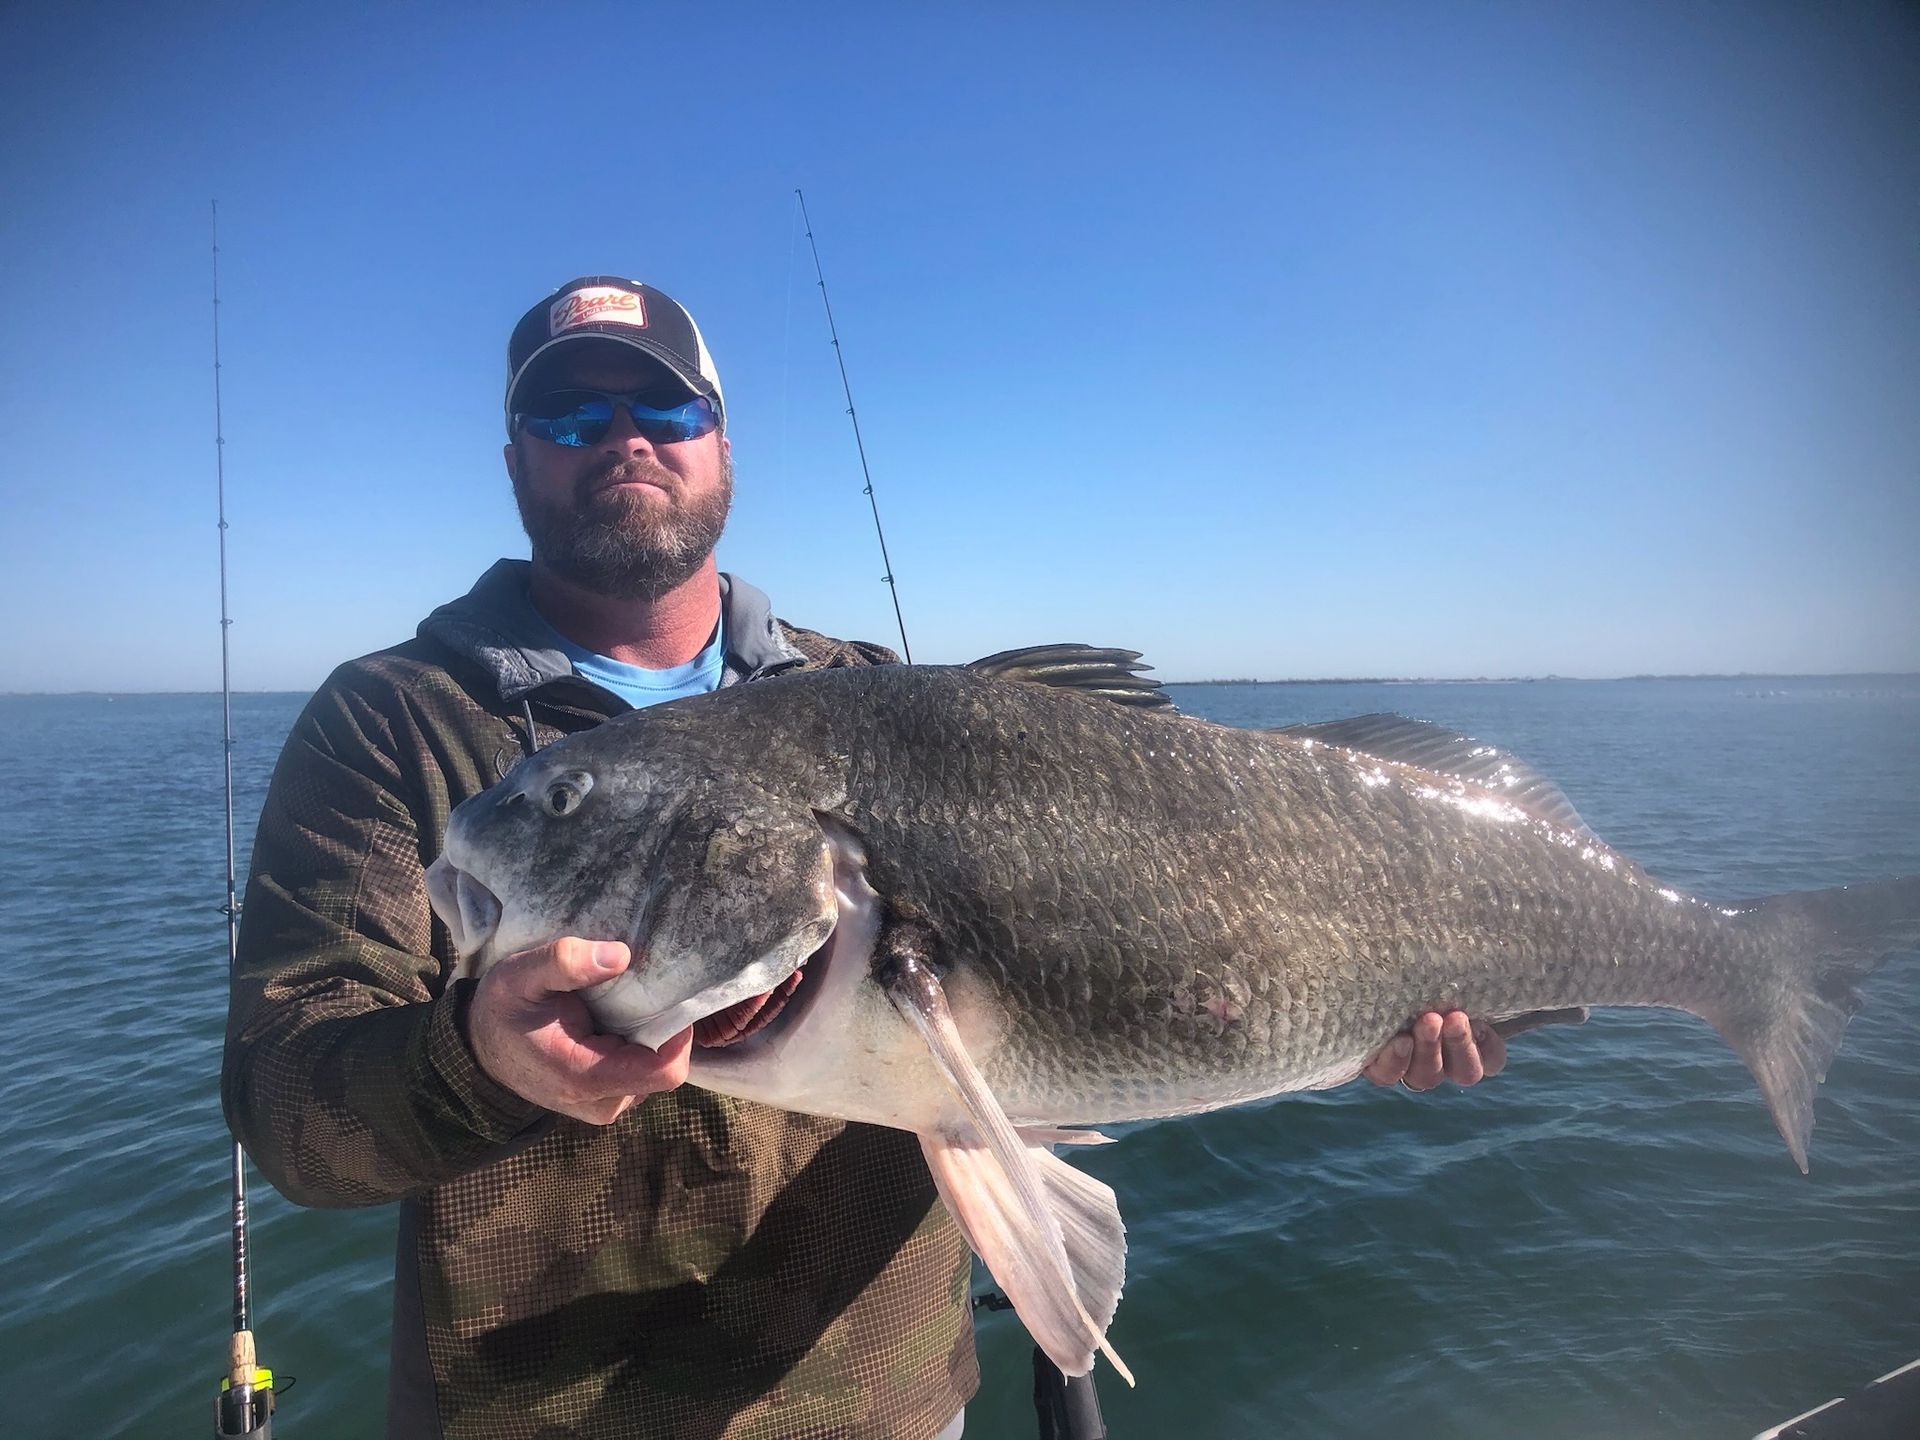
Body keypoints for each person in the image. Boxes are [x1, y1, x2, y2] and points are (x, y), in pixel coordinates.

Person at [222, 275, 1517, 1440]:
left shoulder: (876, 694)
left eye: (665, 414)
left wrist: (1355, 1012)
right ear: (515, 460)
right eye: (571, 419)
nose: (624, 441)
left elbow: (1084, 987)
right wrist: (480, 1057)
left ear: (723, 446)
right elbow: (291, 1114)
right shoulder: (393, 723)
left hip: (884, 1411)